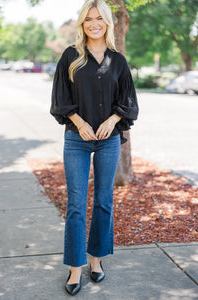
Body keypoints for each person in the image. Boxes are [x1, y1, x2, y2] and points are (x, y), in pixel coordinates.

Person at [50, 0, 138, 296]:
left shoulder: (118, 60)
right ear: (82, 24)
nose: (94, 23)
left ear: (107, 23)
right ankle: (75, 267)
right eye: (88, 19)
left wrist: (113, 119)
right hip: (77, 138)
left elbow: (128, 102)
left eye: (99, 18)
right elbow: (60, 98)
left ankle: (96, 261)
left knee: (103, 201)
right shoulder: (71, 57)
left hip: (108, 141)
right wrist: (78, 121)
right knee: (76, 204)